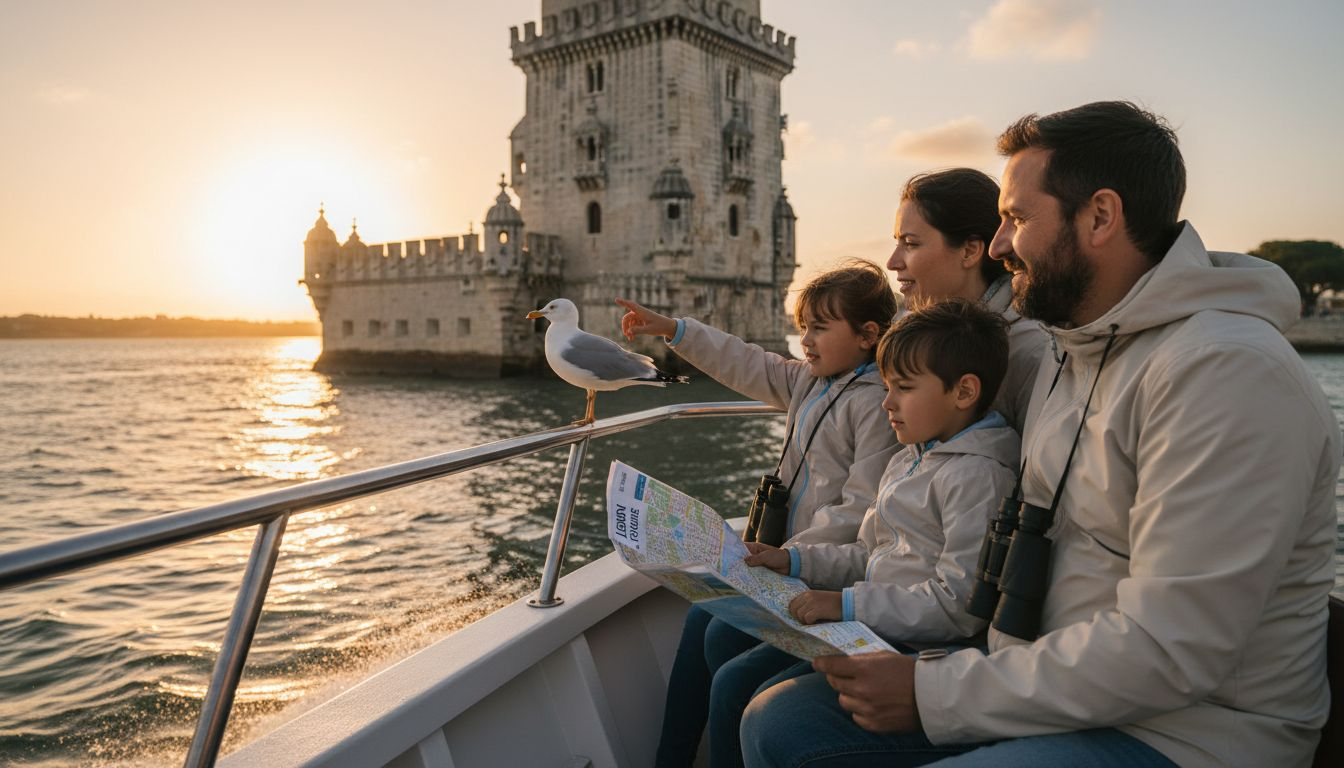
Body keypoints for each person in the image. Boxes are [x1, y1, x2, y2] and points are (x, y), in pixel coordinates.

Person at [739, 100, 1342, 768]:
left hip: (1185, 732)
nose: (998, 246)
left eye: (1017, 220)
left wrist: (935, 692)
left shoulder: (1226, 374)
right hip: (1041, 671)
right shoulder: (1066, 352)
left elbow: (1172, 649)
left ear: (1100, 217)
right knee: (782, 722)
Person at [701, 298, 1019, 768]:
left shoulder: (977, 478)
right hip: (876, 627)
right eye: (887, 386)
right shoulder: (911, 457)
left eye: (903, 389)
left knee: (756, 700)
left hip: (921, 647)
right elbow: (870, 553)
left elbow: (959, 607)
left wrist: (847, 603)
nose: (887, 402)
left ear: (964, 391)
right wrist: (793, 561)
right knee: (735, 682)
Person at [617, 260, 902, 767]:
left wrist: (788, 558)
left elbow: (859, 512)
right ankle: (672, 758)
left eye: (819, 328)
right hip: (784, 562)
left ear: (867, 335)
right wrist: (675, 330)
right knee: (701, 617)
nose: (806, 340)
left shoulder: (876, 404)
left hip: (814, 569)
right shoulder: (813, 381)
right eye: (802, 329)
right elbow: (747, 362)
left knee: (723, 649)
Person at [887, 168, 1045, 432]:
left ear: (970, 251)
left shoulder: (1028, 351)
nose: (892, 262)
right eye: (897, 243)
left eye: (910, 244)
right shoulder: (914, 343)